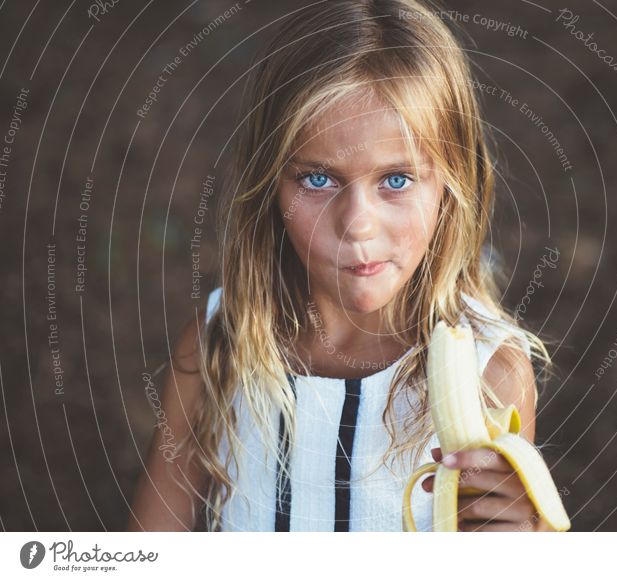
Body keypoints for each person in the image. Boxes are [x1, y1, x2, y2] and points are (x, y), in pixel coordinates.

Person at [128, 0, 556, 532]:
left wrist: (521, 541)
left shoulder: (490, 375)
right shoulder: (219, 348)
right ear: (269, 185)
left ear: (451, 185)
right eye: (318, 179)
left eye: (396, 180)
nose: (357, 224)